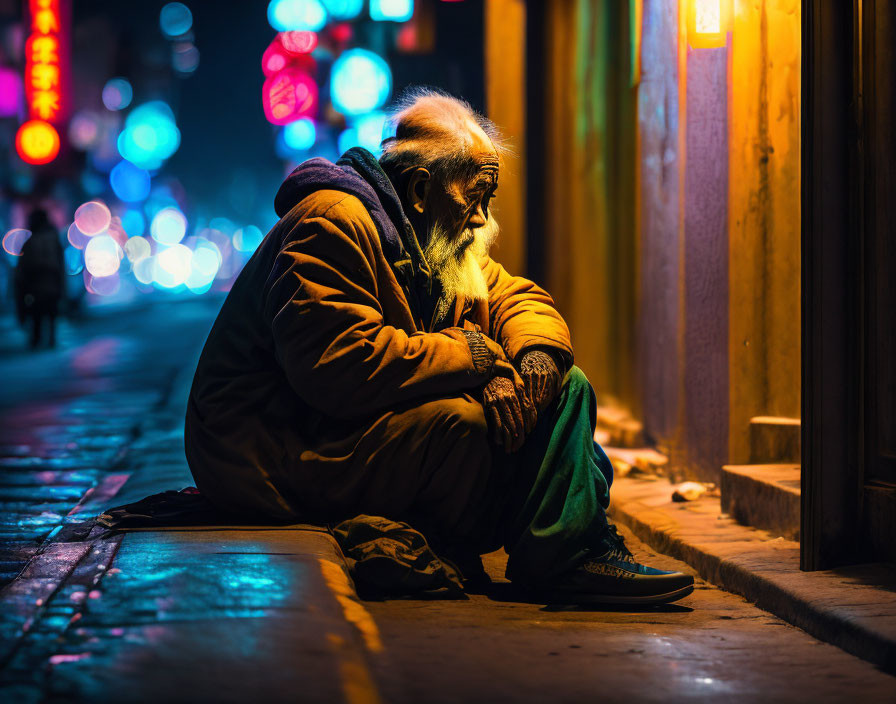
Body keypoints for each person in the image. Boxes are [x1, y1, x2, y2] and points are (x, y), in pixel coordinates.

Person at [185, 90, 694, 605]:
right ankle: (563, 552)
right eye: (474, 197)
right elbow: (338, 365)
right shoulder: (331, 222)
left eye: (489, 200)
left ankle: (569, 549)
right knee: (470, 429)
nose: (481, 218)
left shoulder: (430, 239)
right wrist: (472, 359)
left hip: (338, 433)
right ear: (423, 189)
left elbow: (512, 296)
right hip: (274, 452)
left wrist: (534, 354)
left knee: (567, 389)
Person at [15, 208, 64, 349]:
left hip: (36, 285)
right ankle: (50, 339)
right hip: (51, 284)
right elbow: (60, 264)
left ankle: (37, 340)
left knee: (37, 314)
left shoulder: (30, 242)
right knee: (50, 313)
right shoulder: (53, 239)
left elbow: (23, 266)